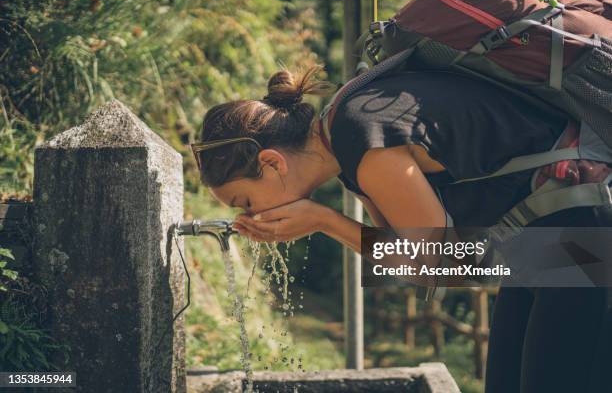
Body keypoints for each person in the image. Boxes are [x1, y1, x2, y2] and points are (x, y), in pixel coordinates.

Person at [192, 64, 612, 393]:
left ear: (272, 163)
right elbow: (412, 261)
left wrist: (325, 221)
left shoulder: (363, 140)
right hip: (547, 243)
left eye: (244, 202)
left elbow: (444, 266)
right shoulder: (347, 138)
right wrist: (327, 222)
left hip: (584, 231)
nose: (247, 217)